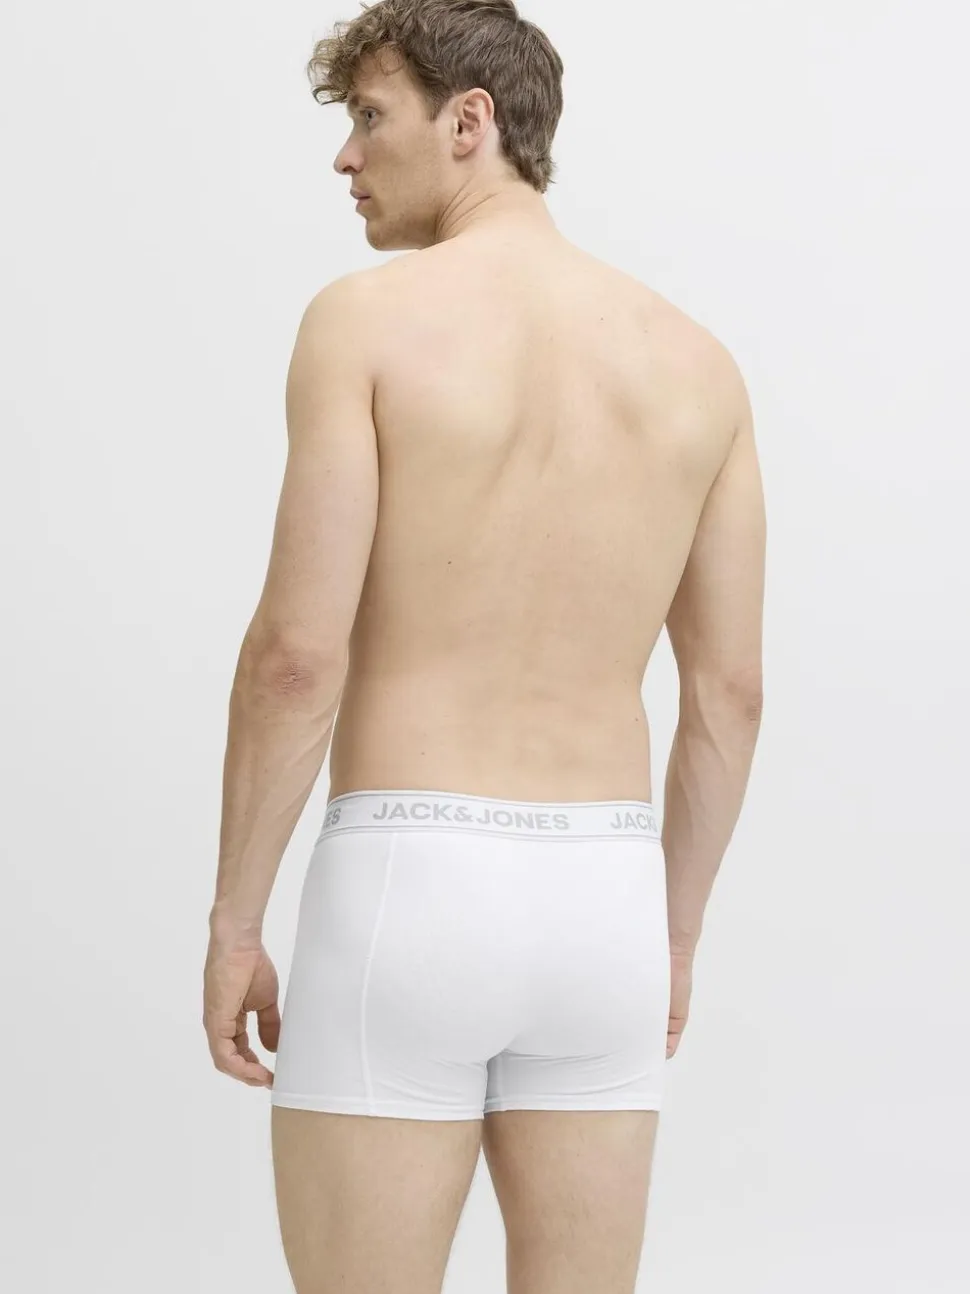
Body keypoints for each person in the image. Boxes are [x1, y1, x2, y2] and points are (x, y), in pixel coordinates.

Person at [202, 1, 766, 1290]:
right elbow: (728, 694)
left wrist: (235, 921)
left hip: (408, 887)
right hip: (608, 906)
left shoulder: (363, 323)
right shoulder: (701, 366)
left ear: (471, 122)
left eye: (369, 116)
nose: (346, 156)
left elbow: (294, 657)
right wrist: (671, 939)